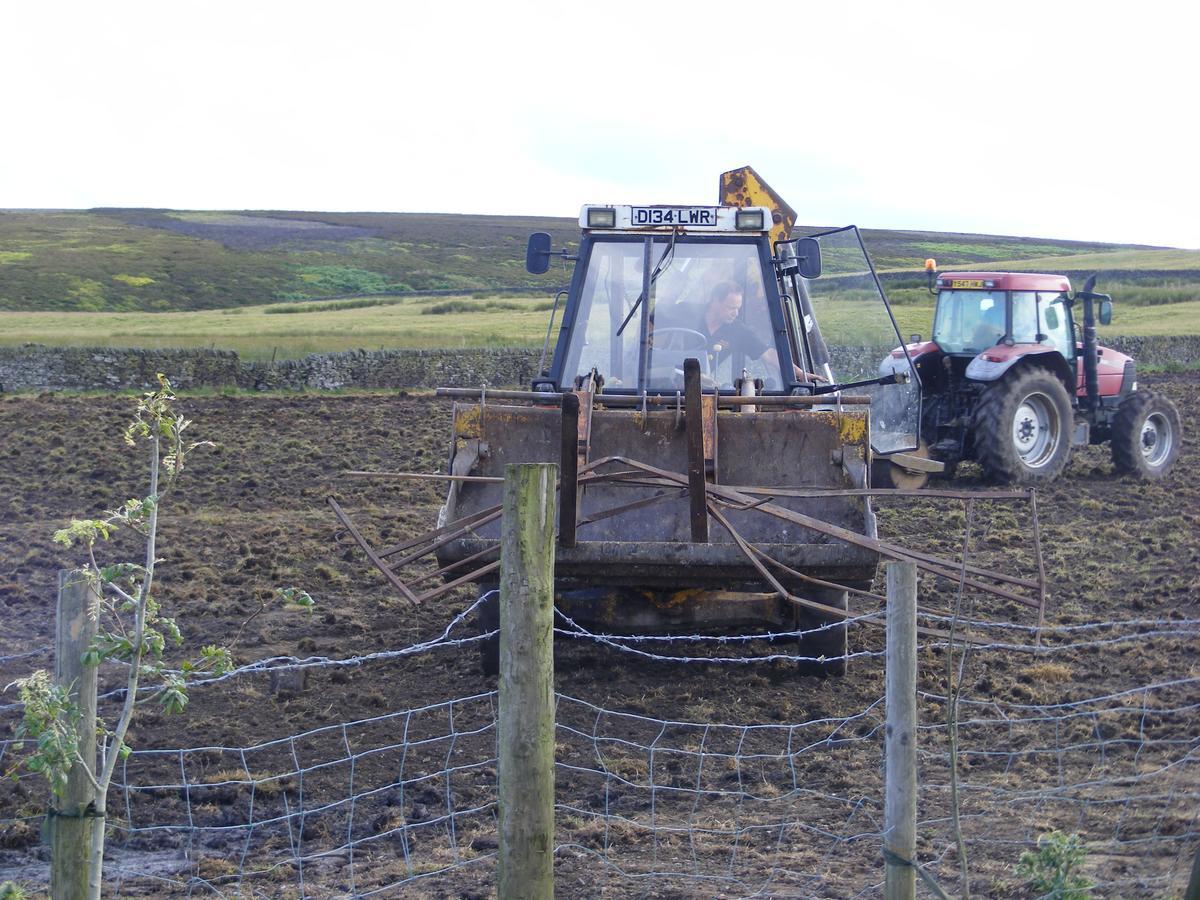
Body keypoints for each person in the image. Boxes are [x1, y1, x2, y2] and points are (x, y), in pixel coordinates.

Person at [696, 281, 825, 383]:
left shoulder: (737, 330)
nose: (735, 313)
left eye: (738, 308)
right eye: (730, 308)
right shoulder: (684, 313)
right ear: (715, 300)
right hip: (675, 390)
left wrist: (799, 373)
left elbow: (768, 354)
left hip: (699, 387)